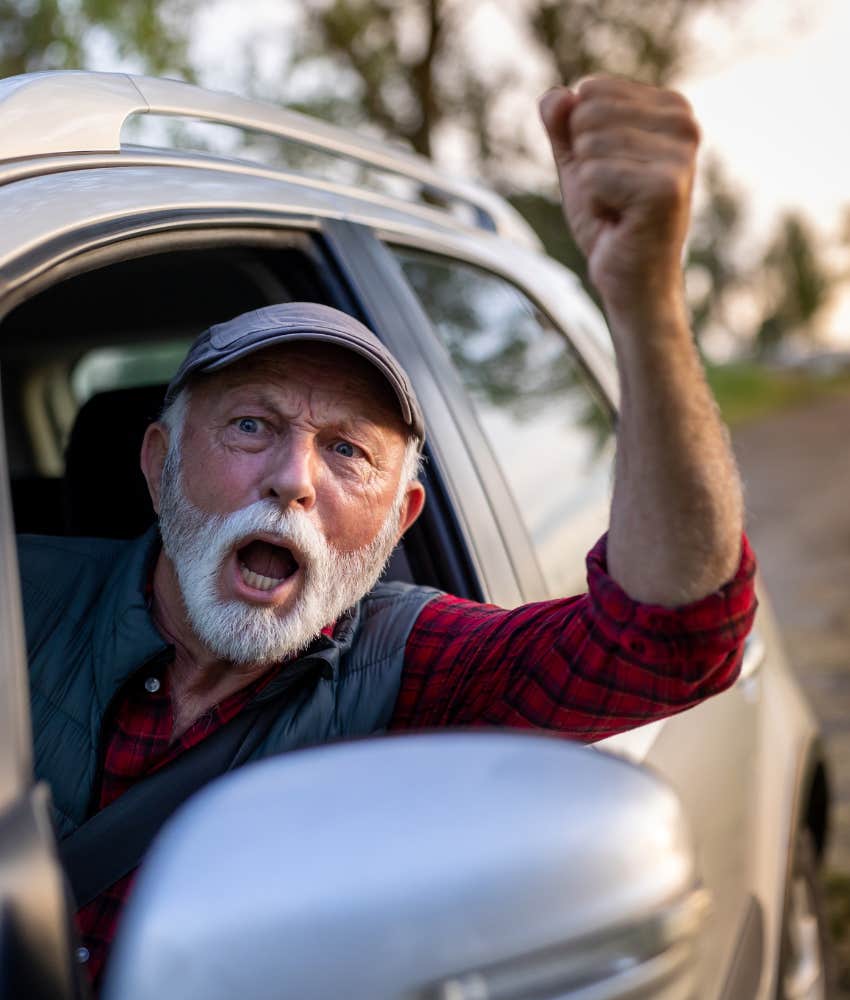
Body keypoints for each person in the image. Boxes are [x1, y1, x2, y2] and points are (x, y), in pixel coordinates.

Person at [19, 76, 755, 990]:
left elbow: (670, 643)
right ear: (159, 460)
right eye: (251, 426)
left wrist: (647, 308)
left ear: (398, 521)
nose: (292, 480)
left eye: (347, 453)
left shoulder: (408, 668)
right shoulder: (17, 598)